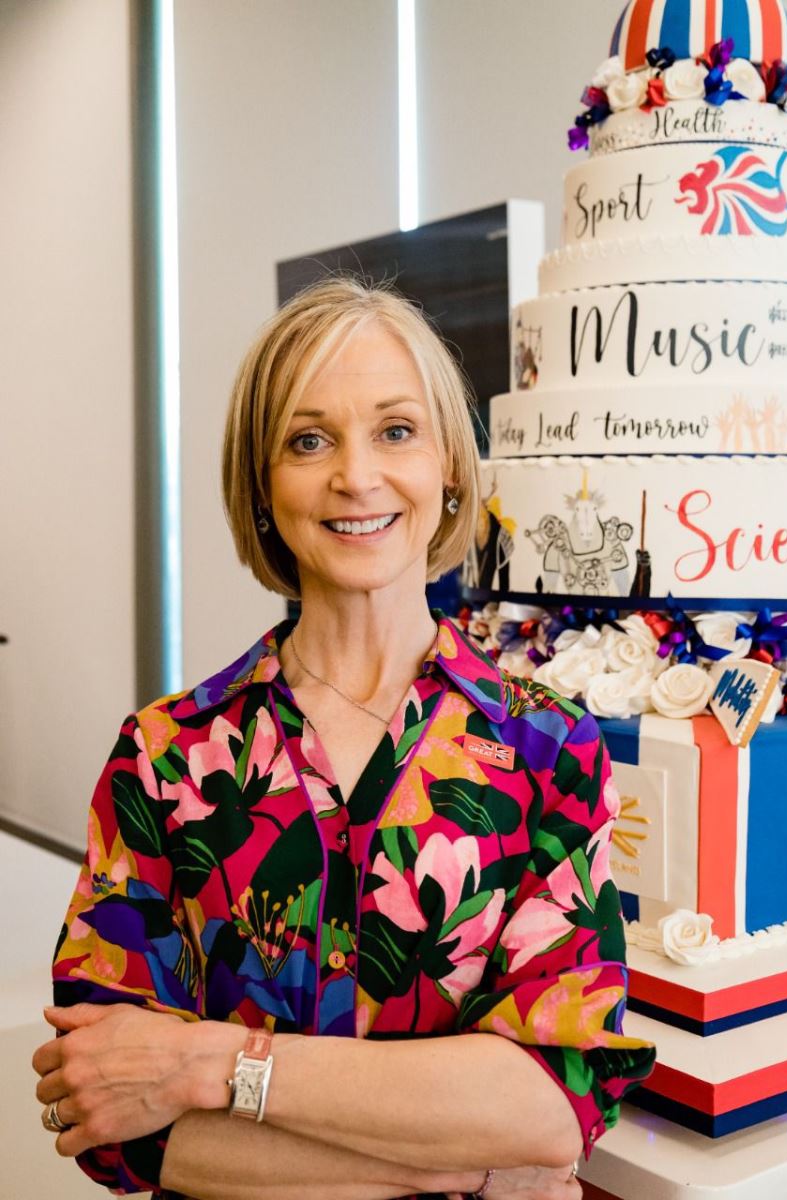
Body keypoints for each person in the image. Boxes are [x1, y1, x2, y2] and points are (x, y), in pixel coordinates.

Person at [32, 277, 655, 1200]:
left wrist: (212, 1067)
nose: (356, 477)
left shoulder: (545, 750)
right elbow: (113, 1122)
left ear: (449, 465)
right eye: (308, 440)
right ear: (261, 485)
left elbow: (552, 1106)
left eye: (395, 430)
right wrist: (475, 1161)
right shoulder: (165, 758)